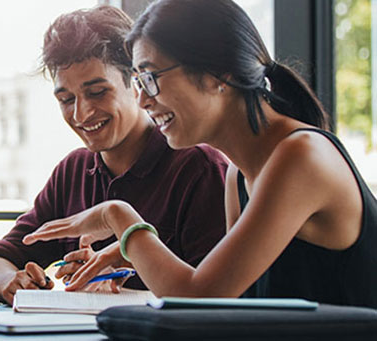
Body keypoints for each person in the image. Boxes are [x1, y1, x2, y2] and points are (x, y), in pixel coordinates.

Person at [24, 0, 377, 308]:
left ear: (216, 75)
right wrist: (133, 257)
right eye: (139, 82)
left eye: (150, 78)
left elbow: (199, 298)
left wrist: (119, 218)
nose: (144, 100)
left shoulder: (300, 156)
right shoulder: (239, 174)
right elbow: (228, 304)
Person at [0, 5, 229, 305]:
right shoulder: (73, 171)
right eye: (66, 99)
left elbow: (213, 298)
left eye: (97, 93)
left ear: (136, 83)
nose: (81, 113)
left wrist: (129, 266)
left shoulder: (199, 168)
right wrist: (10, 281)